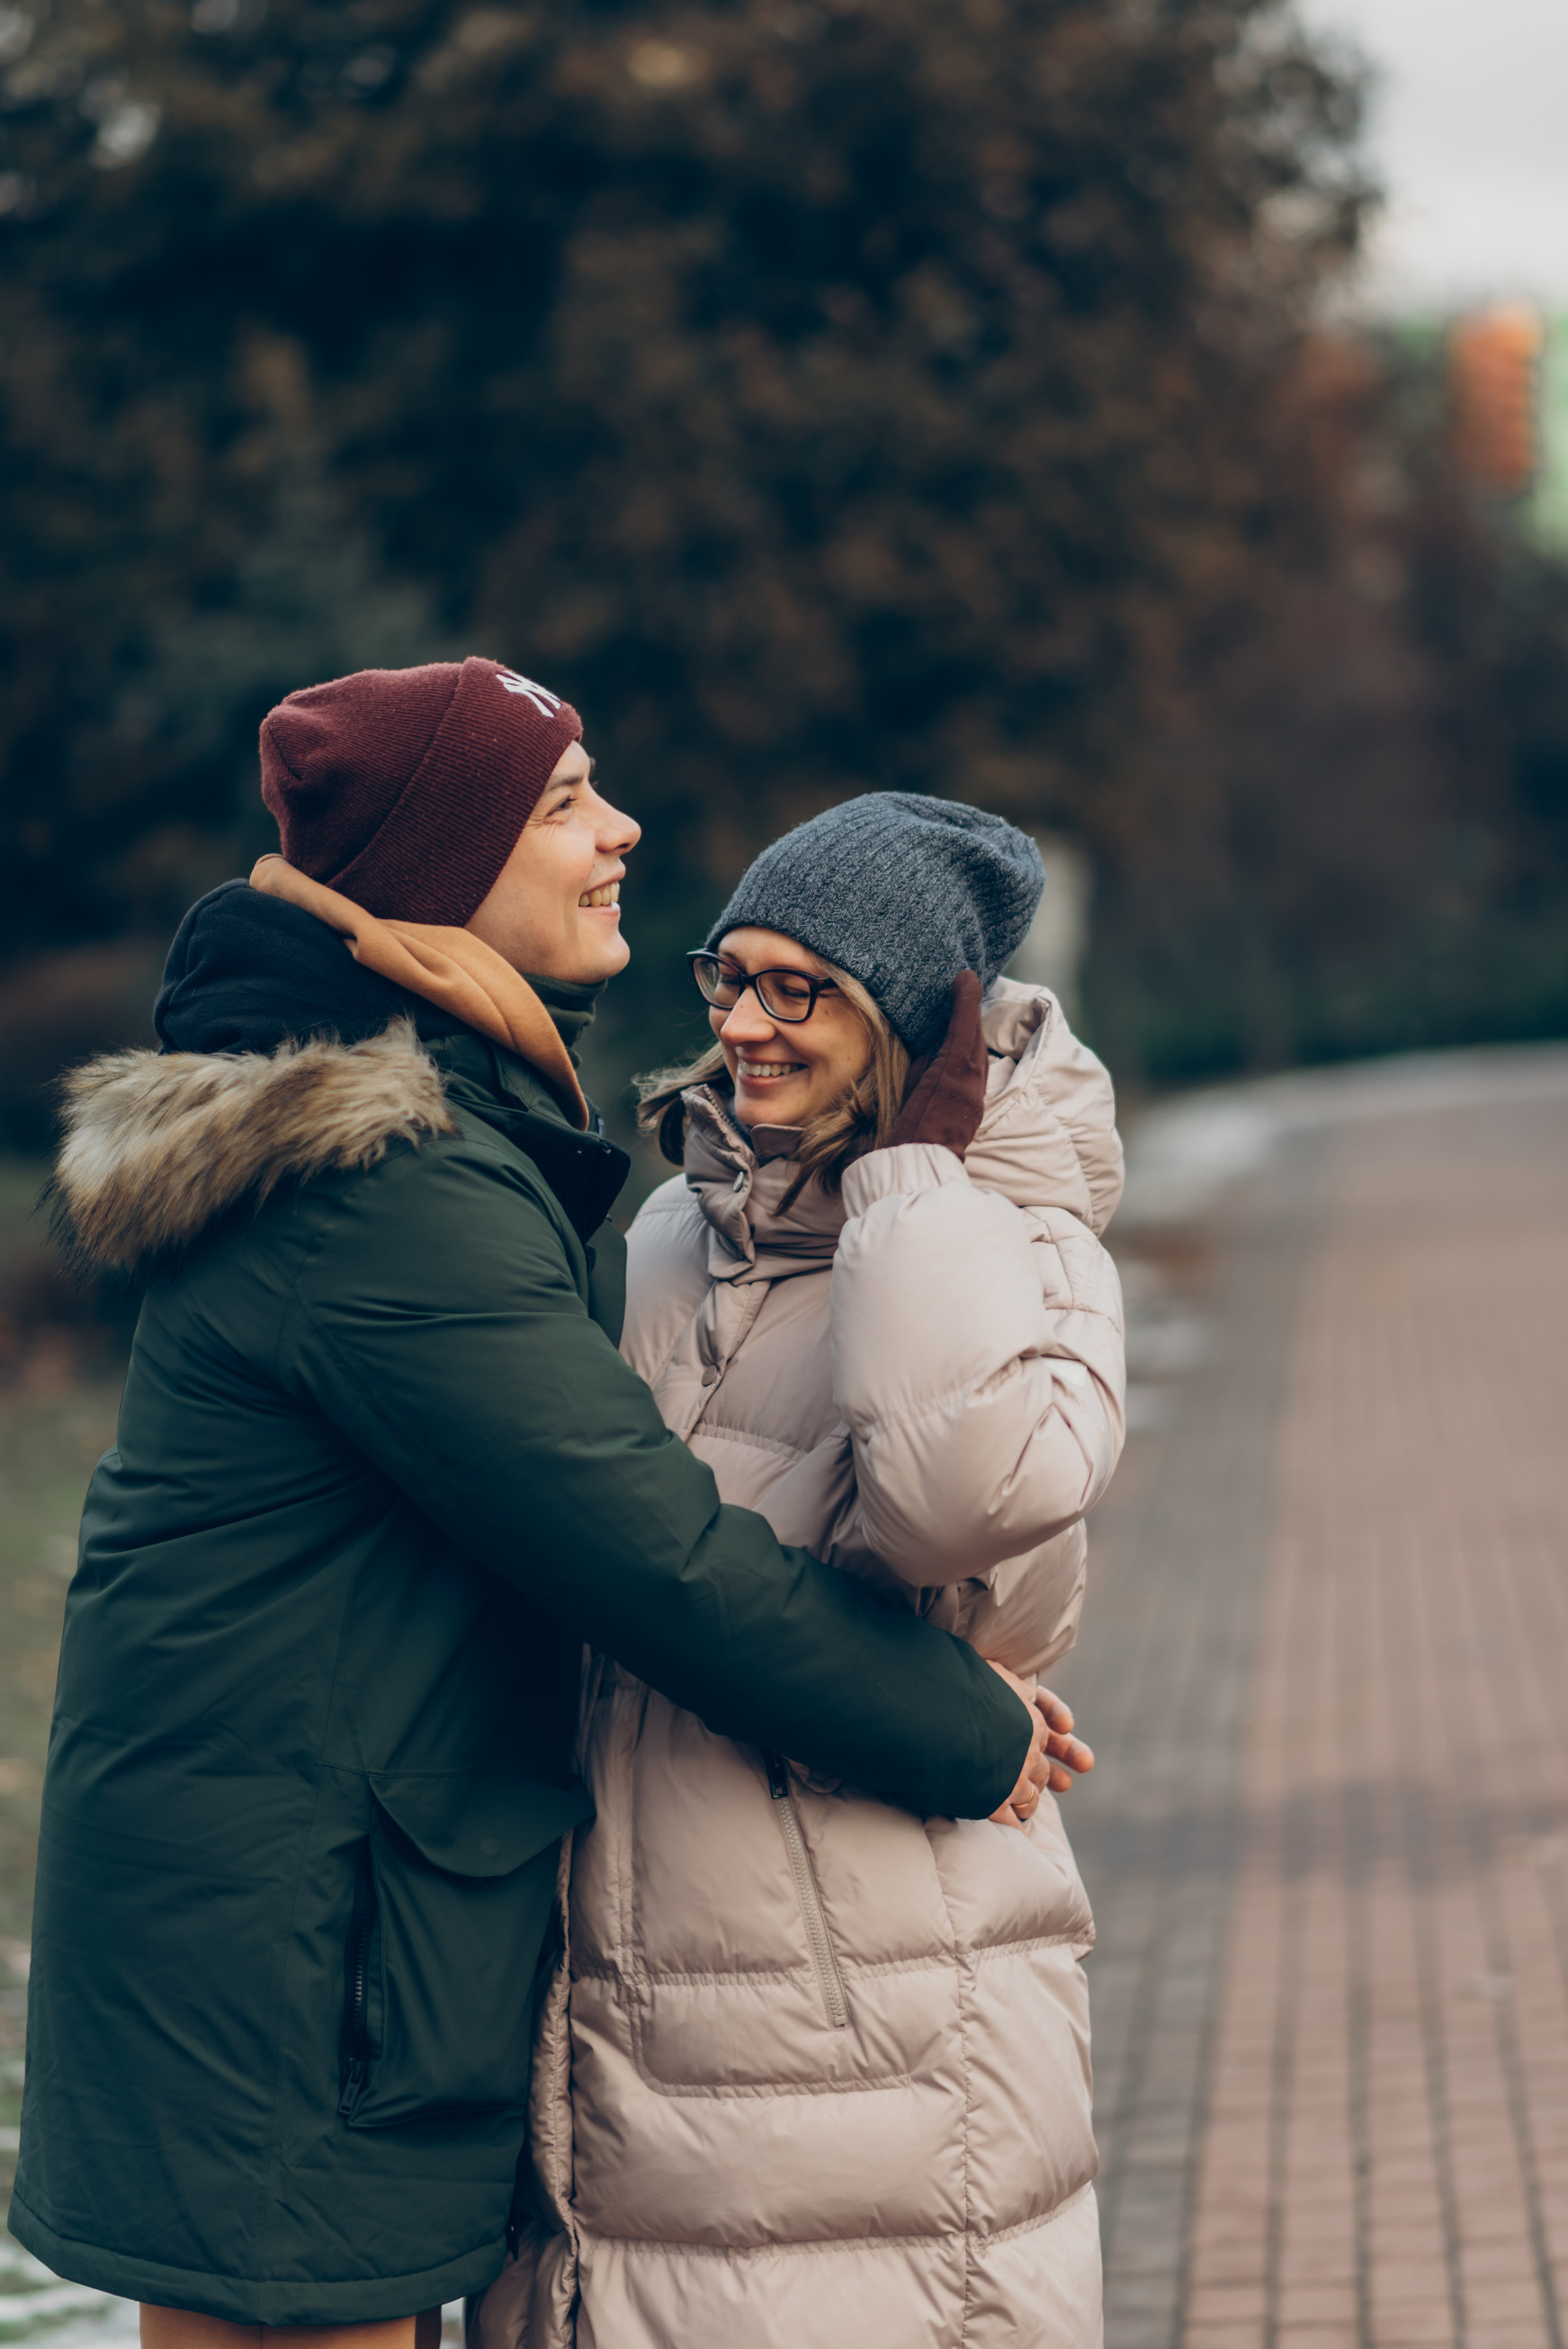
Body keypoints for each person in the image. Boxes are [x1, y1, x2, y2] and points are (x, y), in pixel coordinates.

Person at [11, 665, 1055, 2349]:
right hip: (292, 1960)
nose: (620, 827)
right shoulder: (384, 1187)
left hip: (301, 1921)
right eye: (566, 799)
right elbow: (654, 1558)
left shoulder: (421, 1135)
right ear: (444, 868)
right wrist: (966, 1731)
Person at [480, 793, 1127, 2349]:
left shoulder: (1018, 1236)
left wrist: (913, 1187)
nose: (744, 1029)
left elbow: (955, 1506)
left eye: (799, 990)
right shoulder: (666, 1234)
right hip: (628, 1993)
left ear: (909, 1019)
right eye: (728, 978)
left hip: (870, 2026)